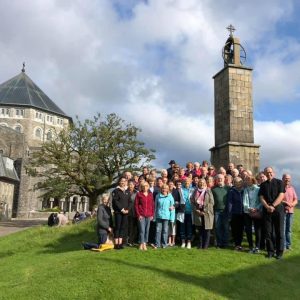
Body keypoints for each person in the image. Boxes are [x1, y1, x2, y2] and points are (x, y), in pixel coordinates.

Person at [259, 167, 285, 259]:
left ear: (273, 173)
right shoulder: (262, 185)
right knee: (268, 232)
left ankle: (279, 252)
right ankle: (270, 251)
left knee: (279, 232)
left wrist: (273, 206)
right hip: (267, 210)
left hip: (278, 210)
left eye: (270, 172)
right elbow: (261, 197)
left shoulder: (279, 182)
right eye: (267, 172)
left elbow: (281, 195)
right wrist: (267, 207)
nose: (269, 174)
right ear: (265, 173)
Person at [191, 179, 214, 249]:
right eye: (200, 182)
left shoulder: (208, 190)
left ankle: (205, 246)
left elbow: (212, 202)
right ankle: (200, 245)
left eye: (203, 182)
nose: (201, 184)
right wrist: (197, 210)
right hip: (198, 212)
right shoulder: (195, 191)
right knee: (200, 229)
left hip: (207, 213)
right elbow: (192, 202)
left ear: (205, 183)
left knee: (207, 230)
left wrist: (204, 210)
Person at [243, 176, 262, 253]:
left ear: (253, 180)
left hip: (256, 212)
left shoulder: (258, 189)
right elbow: (244, 200)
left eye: (249, 180)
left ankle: (257, 247)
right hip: (247, 212)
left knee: (257, 230)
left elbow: (261, 201)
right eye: (246, 180)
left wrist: (256, 208)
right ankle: (251, 246)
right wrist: (248, 208)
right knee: (248, 230)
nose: (248, 181)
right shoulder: (245, 190)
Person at [135, 181, 154, 250]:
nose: (145, 187)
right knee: (142, 230)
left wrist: (152, 215)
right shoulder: (139, 194)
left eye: (146, 186)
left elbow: (152, 205)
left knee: (147, 230)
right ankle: (141, 243)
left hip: (149, 215)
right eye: (143, 186)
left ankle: (145, 243)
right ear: (141, 187)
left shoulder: (150, 194)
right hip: (141, 215)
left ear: (148, 187)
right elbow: (136, 205)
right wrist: (138, 214)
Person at [154, 184, 175, 249]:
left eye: (165, 188)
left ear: (168, 189)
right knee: (158, 230)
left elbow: (172, 208)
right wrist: (154, 216)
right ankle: (157, 244)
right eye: (163, 188)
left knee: (165, 231)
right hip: (159, 216)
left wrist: (172, 218)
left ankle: (164, 244)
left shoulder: (170, 197)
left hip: (166, 216)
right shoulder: (158, 196)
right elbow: (155, 207)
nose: (164, 189)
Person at [112, 177, 130, 250]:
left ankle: (120, 243)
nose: (123, 182)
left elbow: (130, 201)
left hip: (125, 213)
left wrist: (128, 209)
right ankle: (116, 244)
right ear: (119, 182)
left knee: (122, 228)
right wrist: (122, 209)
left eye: (124, 181)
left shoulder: (127, 191)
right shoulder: (116, 191)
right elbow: (116, 201)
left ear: (126, 182)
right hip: (118, 212)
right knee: (118, 227)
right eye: (121, 181)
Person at [226, 177, 244, 250]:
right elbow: (230, 203)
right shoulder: (231, 191)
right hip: (234, 213)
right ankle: (236, 244)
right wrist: (230, 214)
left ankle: (240, 244)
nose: (238, 183)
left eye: (239, 182)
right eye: (236, 182)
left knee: (241, 230)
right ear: (234, 183)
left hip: (243, 213)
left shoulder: (244, 191)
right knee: (235, 230)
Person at [212, 174, 230, 248]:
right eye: (218, 178)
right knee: (218, 227)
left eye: (221, 178)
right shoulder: (213, 189)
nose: (220, 179)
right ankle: (219, 243)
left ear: (224, 179)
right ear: (216, 180)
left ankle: (225, 243)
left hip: (226, 211)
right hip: (217, 211)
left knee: (226, 228)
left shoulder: (228, 188)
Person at [282, 174, 298, 250]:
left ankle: (288, 244)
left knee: (289, 229)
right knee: (283, 228)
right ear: (282, 179)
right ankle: (284, 245)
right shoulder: (280, 188)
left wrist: (291, 204)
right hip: (282, 211)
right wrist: (285, 202)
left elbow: (295, 199)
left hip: (290, 211)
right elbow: (277, 198)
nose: (287, 180)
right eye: (286, 178)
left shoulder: (292, 188)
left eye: (288, 178)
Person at [177, 178, 194, 249]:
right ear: (184, 182)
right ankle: (183, 241)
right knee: (182, 227)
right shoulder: (180, 189)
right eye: (185, 181)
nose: (187, 182)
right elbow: (178, 199)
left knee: (189, 227)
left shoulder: (193, 189)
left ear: (190, 182)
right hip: (182, 211)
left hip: (190, 211)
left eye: (188, 181)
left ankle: (189, 242)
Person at [127, 180, 138, 246]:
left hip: (135, 211)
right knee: (129, 227)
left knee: (135, 227)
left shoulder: (136, 192)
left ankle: (132, 240)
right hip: (128, 211)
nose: (131, 186)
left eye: (132, 184)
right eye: (130, 184)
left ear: (134, 185)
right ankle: (128, 240)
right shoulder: (126, 192)